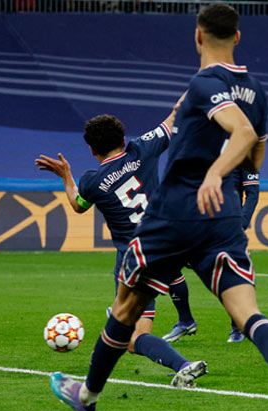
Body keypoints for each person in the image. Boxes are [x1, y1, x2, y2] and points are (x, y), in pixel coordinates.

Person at [48, 3, 268, 411]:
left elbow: (241, 134)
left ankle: (88, 398)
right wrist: (230, 179)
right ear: (238, 37)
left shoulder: (205, 82)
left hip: (174, 214)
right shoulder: (257, 93)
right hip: (223, 216)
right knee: (247, 311)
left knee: (126, 309)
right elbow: (254, 157)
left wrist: (211, 172)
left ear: (197, 36)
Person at [36, 108, 207, 388]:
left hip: (135, 260)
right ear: (124, 138)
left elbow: (78, 205)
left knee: (132, 338)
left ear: (91, 150)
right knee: (136, 322)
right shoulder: (141, 150)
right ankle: (184, 353)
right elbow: (176, 115)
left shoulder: (92, 181)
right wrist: (204, 80)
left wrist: (66, 176)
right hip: (168, 243)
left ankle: (178, 362)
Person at [162, 167, 260, 344]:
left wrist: (240, 224)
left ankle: (237, 326)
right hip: (196, 222)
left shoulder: (244, 154)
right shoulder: (203, 149)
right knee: (169, 264)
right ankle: (185, 320)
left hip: (226, 225)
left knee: (226, 275)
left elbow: (252, 194)